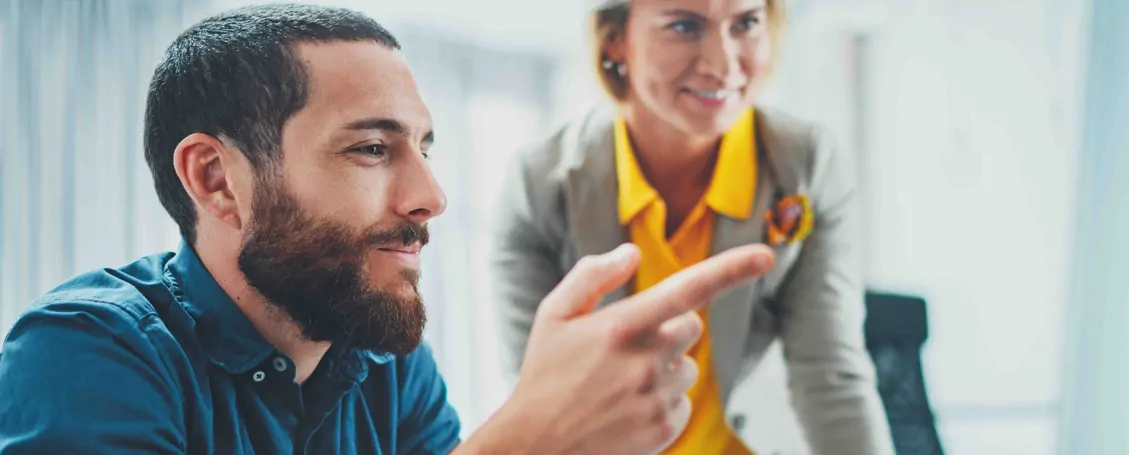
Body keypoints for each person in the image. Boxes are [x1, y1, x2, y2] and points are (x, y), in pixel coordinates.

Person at [0, 4, 777, 455]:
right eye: (372, 148)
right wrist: (526, 439)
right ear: (215, 178)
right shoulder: (81, 352)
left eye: (425, 148)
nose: (431, 195)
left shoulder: (383, 357)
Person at [490, 0, 896, 454]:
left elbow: (830, 376)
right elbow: (537, 404)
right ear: (616, 40)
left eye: (745, 23)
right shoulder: (539, 187)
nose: (723, 65)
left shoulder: (806, 165)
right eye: (684, 25)